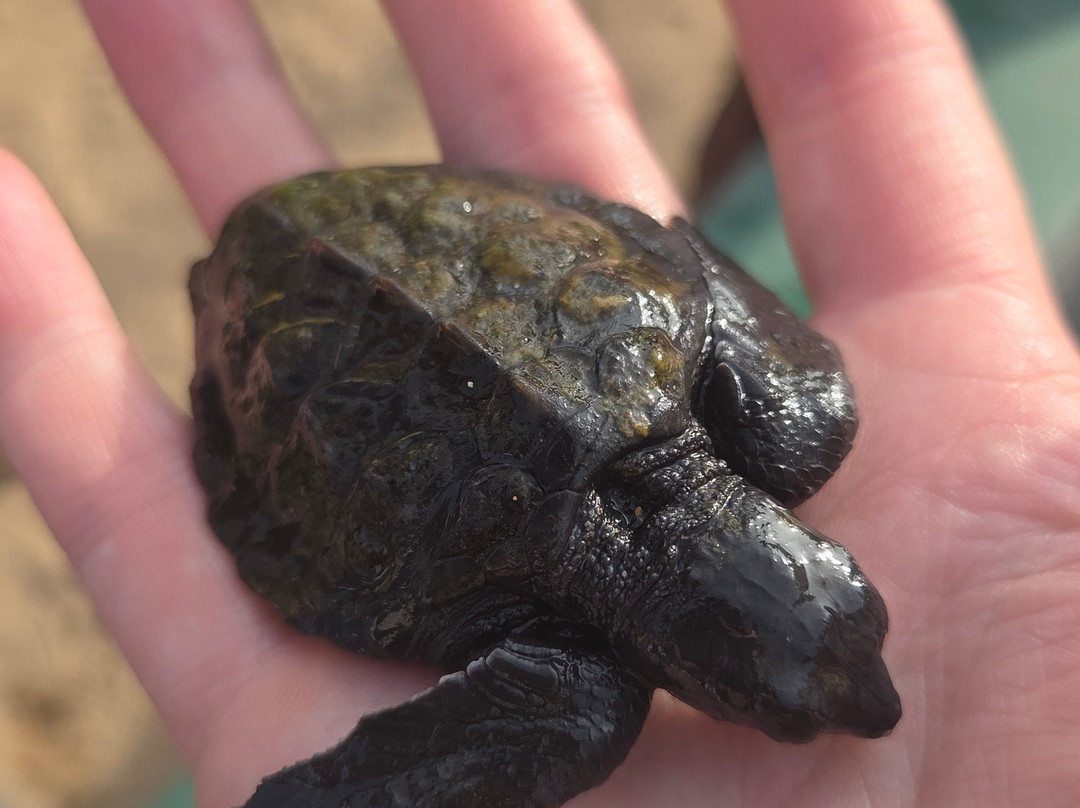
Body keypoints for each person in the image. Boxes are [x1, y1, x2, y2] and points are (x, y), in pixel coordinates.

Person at [2, 1, 1078, 805]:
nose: (873, 707)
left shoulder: (790, 417)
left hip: (456, 282)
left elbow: (687, 265)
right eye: (783, 713)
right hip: (343, 309)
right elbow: (690, 268)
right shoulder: (576, 696)